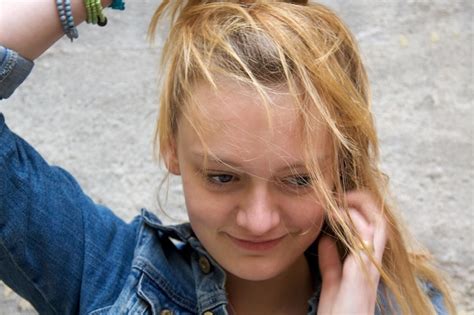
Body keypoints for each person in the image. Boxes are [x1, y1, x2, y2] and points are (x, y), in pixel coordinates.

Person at [0, 0, 456, 314]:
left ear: (339, 165)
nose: (258, 221)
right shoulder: (102, 272)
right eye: (222, 177)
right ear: (171, 147)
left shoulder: (406, 304)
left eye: (298, 180)